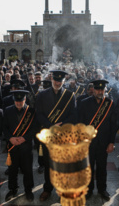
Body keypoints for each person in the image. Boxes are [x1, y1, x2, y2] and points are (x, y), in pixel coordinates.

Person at [35, 70, 76, 202]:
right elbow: (39, 114)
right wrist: (50, 125)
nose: (57, 83)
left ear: (64, 81)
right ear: (51, 79)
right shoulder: (42, 95)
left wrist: (62, 125)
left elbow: (73, 115)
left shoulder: (70, 95)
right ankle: (47, 188)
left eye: (60, 81)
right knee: (48, 163)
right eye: (55, 80)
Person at [79, 79, 117, 201]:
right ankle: (88, 190)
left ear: (105, 90)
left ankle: (102, 189)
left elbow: (113, 125)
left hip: (103, 143)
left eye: (102, 89)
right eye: (97, 89)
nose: (100, 91)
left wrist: (111, 142)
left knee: (102, 167)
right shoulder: (84, 103)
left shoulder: (110, 103)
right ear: (93, 90)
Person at [3, 90, 36, 202]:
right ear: (14, 100)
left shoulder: (31, 111)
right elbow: (4, 127)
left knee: (27, 170)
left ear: (25, 99)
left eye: (21, 101)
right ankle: (12, 189)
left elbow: (34, 128)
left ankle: (28, 190)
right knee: (12, 170)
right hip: (12, 146)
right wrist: (10, 138)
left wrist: (24, 138)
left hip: (26, 146)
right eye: (17, 101)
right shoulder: (7, 110)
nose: (19, 103)